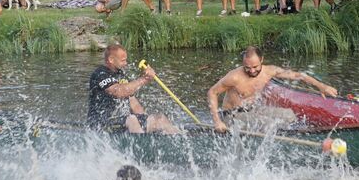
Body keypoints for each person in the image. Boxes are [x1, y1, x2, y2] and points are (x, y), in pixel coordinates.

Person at [208, 46, 338, 132]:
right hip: (232, 115)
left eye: (255, 66)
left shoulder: (269, 71)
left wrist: (322, 86)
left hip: (252, 110)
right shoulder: (234, 77)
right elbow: (212, 92)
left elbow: (298, 76)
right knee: (271, 124)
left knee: (289, 115)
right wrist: (217, 122)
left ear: (262, 60)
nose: (252, 71)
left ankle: (293, 138)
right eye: (247, 67)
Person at [87, 44, 180, 134]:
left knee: (159, 119)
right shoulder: (100, 74)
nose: (126, 63)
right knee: (132, 119)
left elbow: (132, 101)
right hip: (101, 123)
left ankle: (179, 138)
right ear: (111, 59)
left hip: (121, 121)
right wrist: (145, 79)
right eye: (123, 60)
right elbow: (119, 92)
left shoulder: (120, 74)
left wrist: (145, 119)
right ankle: (142, 143)